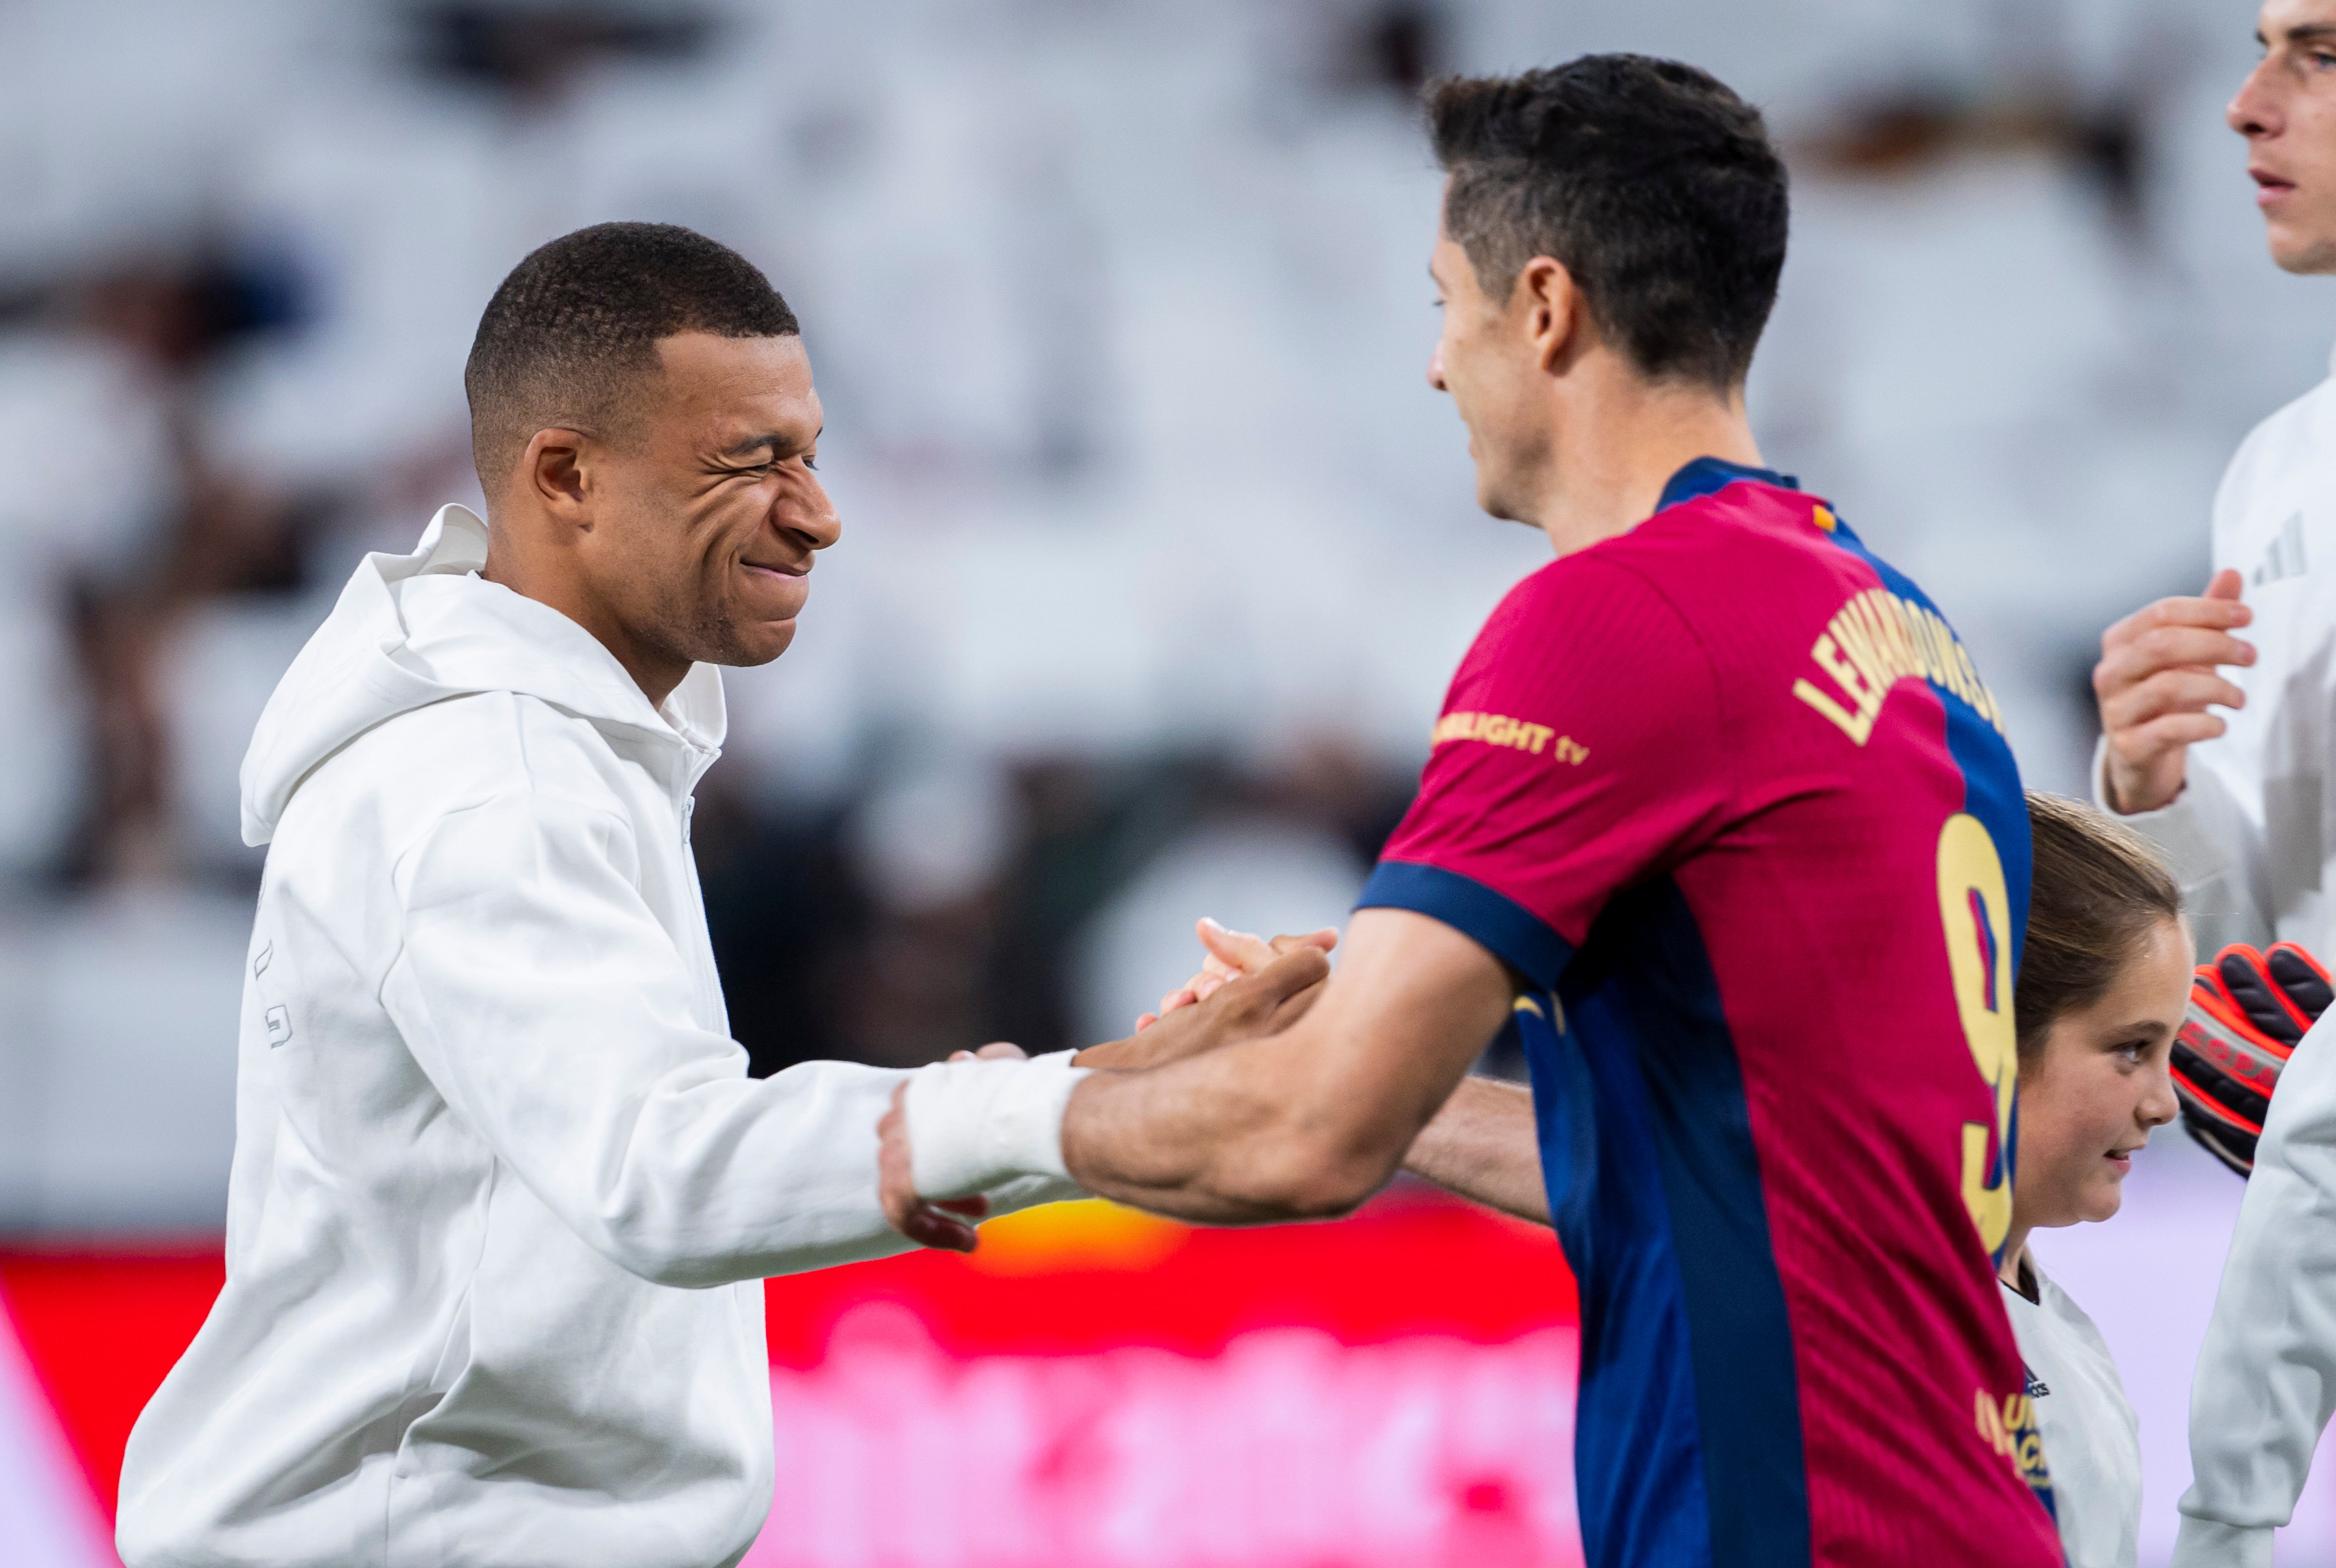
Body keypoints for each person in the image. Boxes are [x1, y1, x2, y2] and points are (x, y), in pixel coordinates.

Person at [878, 56, 2062, 1567]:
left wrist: (978, 1121)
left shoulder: (1619, 618)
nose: (1437, 365)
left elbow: (1310, 1143)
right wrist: (1398, 1063)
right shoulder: (1904, 625)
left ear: (1547, 309)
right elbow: (1745, 1164)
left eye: (1446, 301)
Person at [112, 222, 1318, 1568]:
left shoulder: (546, 741)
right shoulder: (486, 778)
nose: (818, 510)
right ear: (564, 475)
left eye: (809, 451)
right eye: (748, 463)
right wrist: (1084, 1105)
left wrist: (1057, 1100)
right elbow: (663, 1167)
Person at [1323, 790, 2184, 1568]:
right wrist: (1336, 1070)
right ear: (1985, 1036)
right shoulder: (1850, 1276)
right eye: (2130, 1050)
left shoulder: (2055, 1323)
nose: (2166, 1102)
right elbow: (1633, 1164)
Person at [2087, 2, 2336, 1559]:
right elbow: (2242, 946)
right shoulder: (2282, 471)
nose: (2247, 106)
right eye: (2261, 46)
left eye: (2323, 54)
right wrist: (2146, 779)